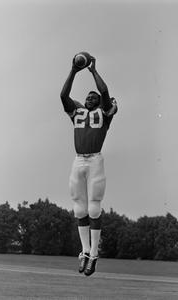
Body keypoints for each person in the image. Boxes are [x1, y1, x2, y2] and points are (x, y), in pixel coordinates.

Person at [60, 55, 118, 276]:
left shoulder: (103, 113)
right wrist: (73, 70)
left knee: (94, 206)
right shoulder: (77, 111)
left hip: (95, 159)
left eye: (94, 97)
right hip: (78, 160)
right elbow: (63, 95)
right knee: (79, 207)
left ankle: (94, 254)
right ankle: (84, 252)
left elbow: (104, 92)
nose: (91, 97)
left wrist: (93, 71)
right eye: (88, 96)